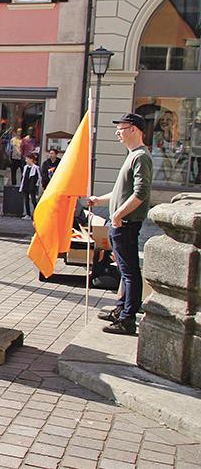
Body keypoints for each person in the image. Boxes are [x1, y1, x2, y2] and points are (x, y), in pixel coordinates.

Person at [88, 113, 154, 336]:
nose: (118, 132)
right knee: (125, 271)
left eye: (122, 127)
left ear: (134, 129)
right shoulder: (133, 155)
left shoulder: (140, 157)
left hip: (125, 223)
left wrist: (118, 214)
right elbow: (121, 192)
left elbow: (141, 193)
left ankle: (127, 318)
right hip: (122, 222)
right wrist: (101, 200)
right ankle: (121, 310)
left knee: (129, 272)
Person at [20, 153, 41, 220]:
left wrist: (36, 184)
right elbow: (23, 176)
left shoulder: (36, 168)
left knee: (33, 200)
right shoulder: (25, 167)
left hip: (32, 186)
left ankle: (36, 214)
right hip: (25, 184)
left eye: (27, 159)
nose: (26, 160)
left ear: (31, 160)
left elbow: (39, 177)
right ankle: (28, 214)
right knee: (26, 200)